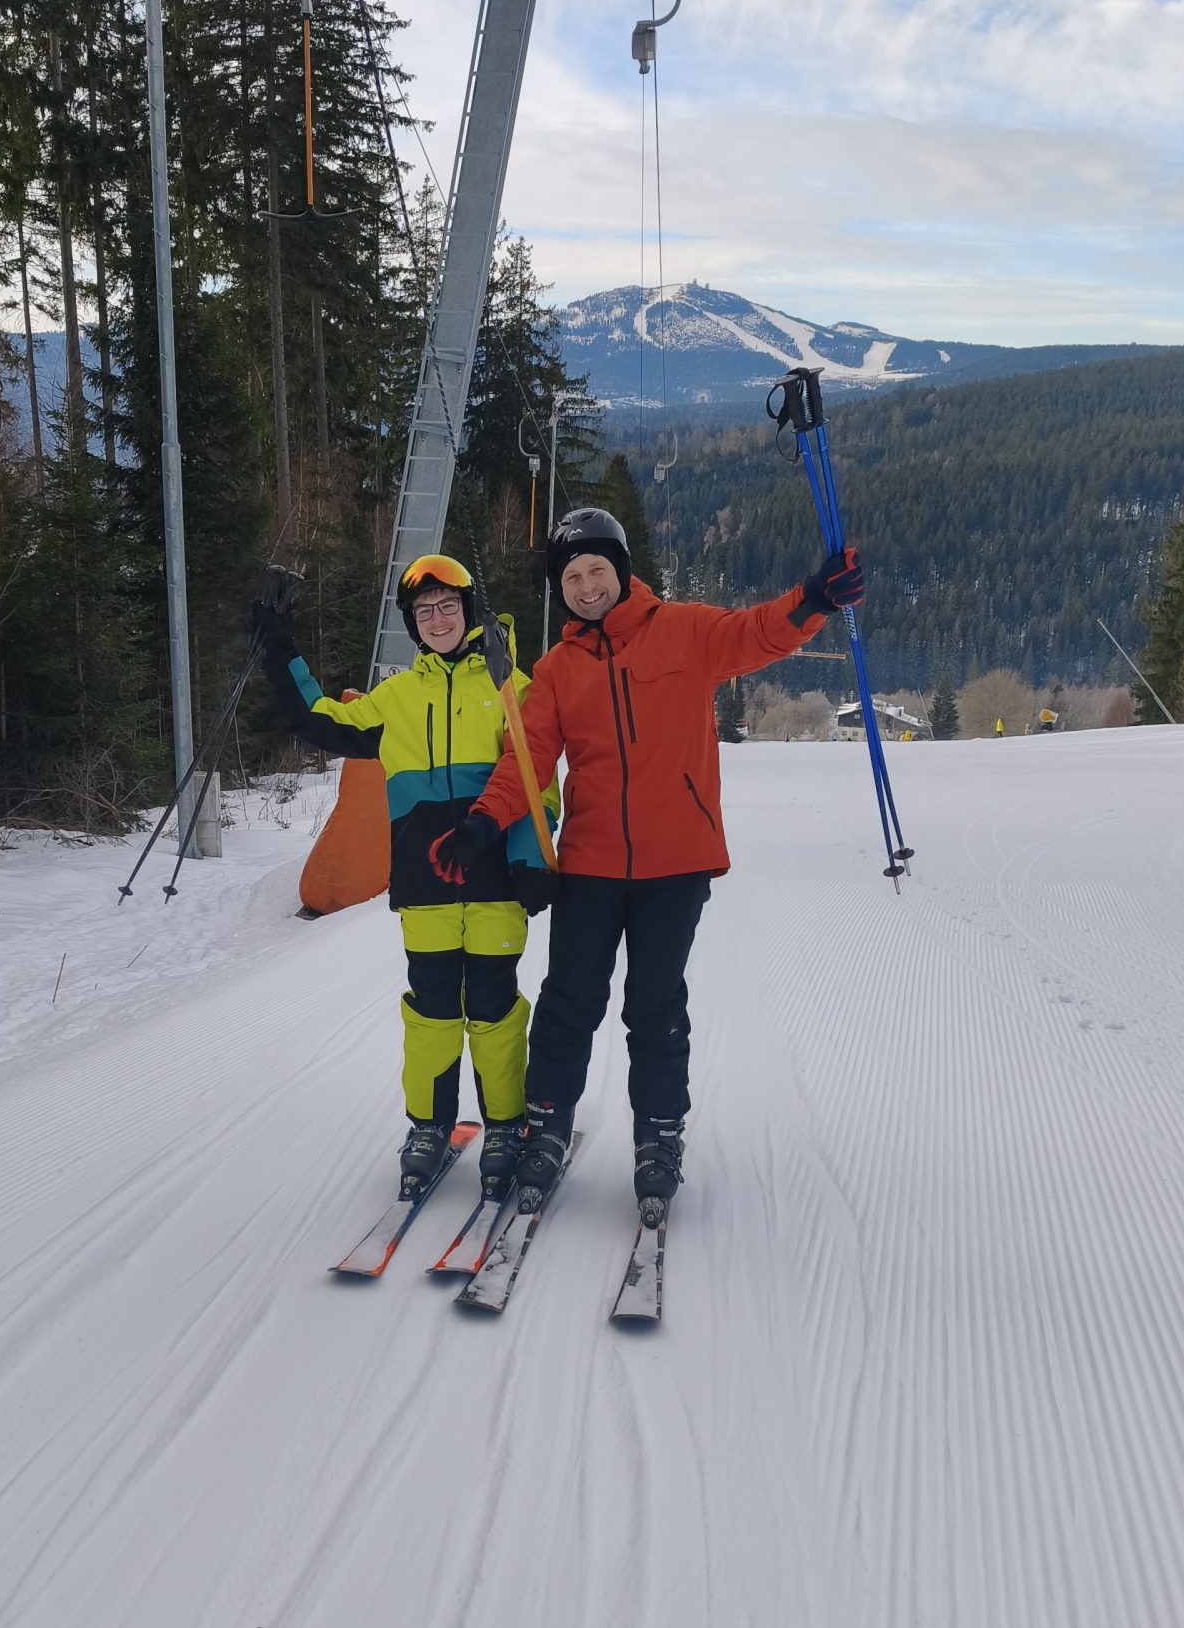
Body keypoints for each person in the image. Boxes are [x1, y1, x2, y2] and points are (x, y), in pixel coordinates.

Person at [429, 507, 864, 1223]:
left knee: (655, 1007)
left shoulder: (684, 631)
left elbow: (759, 632)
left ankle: (658, 1137)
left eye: (597, 569)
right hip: (591, 866)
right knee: (569, 1002)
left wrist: (813, 598)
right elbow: (525, 758)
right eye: (572, 577)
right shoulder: (555, 671)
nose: (586, 586)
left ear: (622, 570)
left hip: (675, 864)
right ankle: (547, 1125)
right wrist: (484, 820)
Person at [252, 554, 556, 1202]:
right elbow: (319, 719)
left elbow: (538, 784)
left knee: (495, 1010)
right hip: (426, 887)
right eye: (424, 611)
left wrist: (531, 859)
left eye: (447, 606)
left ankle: (506, 1127)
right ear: (412, 624)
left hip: (495, 884)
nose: (437, 619)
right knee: (432, 1012)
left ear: (468, 611)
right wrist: (281, 650)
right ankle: (430, 1127)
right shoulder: (395, 697)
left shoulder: (512, 687)